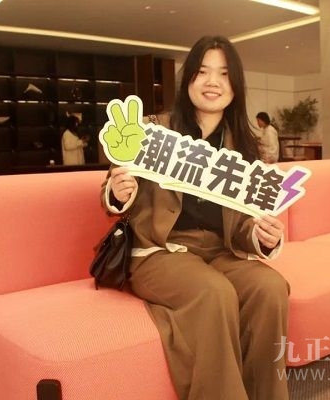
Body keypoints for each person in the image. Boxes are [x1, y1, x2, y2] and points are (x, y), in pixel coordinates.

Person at [101, 36, 289, 400]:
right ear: (187, 79)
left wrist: (261, 236)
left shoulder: (244, 146)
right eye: (202, 72)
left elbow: (243, 224)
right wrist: (118, 192)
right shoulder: (154, 129)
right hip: (160, 251)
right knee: (213, 292)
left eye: (224, 73)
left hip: (220, 251)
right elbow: (113, 187)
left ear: (235, 85)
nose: (213, 82)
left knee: (270, 288)